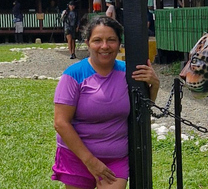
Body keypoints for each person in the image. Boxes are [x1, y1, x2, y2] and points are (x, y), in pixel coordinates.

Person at [52, 15, 159, 189]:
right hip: (77, 157)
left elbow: (142, 112)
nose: (104, 46)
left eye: (111, 40)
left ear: (119, 44)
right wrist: (90, 161)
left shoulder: (129, 73)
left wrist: (154, 86)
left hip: (115, 158)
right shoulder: (73, 75)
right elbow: (60, 123)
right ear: (87, 43)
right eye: (97, 40)